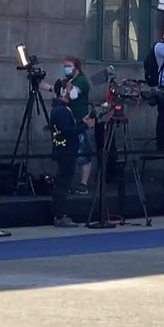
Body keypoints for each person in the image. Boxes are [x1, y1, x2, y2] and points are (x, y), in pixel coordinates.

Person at [49, 80, 95, 227]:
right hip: (66, 150)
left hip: (65, 149)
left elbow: (68, 127)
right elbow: (68, 132)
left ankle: (59, 214)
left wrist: (82, 123)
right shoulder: (61, 110)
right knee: (63, 184)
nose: (72, 91)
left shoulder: (61, 109)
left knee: (62, 183)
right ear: (63, 91)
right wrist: (85, 127)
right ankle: (59, 215)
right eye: (69, 88)